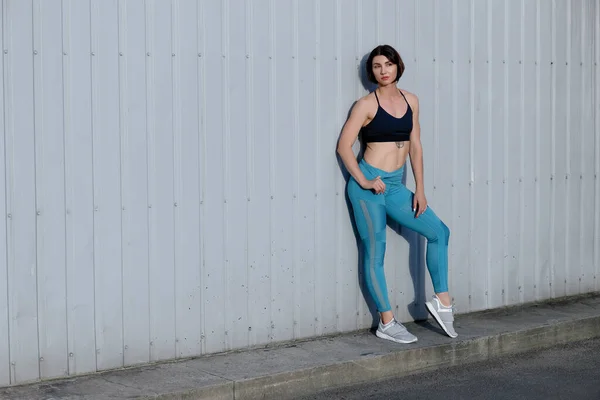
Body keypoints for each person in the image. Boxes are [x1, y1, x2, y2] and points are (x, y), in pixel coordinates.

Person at [337, 44, 457, 343]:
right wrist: (364, 181)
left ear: (397, 66)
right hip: (369, 188)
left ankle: (442, 303)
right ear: (372, 72)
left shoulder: (411, 101)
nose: (384, 70)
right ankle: (387, 322)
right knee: (376, 252)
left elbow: (415, 146)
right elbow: (343, 147)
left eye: (388, 64)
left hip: (395, 187)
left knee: (439, 232)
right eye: (377, 66)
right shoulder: (365, 104)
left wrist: (420, 189)